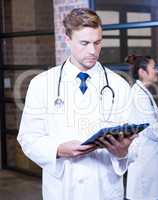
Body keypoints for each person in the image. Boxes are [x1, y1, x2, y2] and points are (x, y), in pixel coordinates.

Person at [17, 8, 136, 200]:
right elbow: (28, 138)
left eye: (97, 43)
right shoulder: (42, 83)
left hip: (104, 189)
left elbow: (134, 144)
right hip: (63, 189)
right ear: (67, 40)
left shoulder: (118, 85)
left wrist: (122, 152)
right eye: (84, 43)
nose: (92, 50)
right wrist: (57, 149)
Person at [125, 55, 158, 200]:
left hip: (149, 155)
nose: (157, 71)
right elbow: (150, 129)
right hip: (144, 157)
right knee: (144, 194)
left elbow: (149, 121)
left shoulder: (144, 92)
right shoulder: (139, 95)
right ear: (142, 72)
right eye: (154, 68)